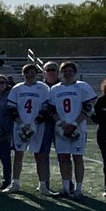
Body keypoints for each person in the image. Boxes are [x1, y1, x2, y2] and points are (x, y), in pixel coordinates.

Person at [50, 61, 98, 198]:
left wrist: (75, 124)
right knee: (63, 157)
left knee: (78, 158)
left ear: (75, 72)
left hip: (78, 127)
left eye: (70, 70)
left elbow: (89, 107)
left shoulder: (82, 86)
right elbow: (51, 109)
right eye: (64, 70)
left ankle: (78, 189)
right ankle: (65, 188)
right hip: (61, 128)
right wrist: (61, 123)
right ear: (61, 72)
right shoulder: (55, 89)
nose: (67, 73)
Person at [5, 63, 53, 194]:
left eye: (32, 72)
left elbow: (45, 108)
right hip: (20, 125)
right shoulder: (17, 88)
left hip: (37, 126)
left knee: (40, 155)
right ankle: (15, 183)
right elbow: (11, 108)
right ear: (23, 74)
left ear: (36, 73)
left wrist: (34, 122)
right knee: (18, 154)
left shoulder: (43, 88)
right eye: (27, 72)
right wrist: (21, 123)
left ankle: (42, 185)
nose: (29, 74)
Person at [35, 62, 62, 195]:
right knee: (42, 154)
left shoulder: (62, 87)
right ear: (44, 72)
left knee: (63, 155)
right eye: (48, 70)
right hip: (44, 124)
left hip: (61, 124)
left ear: (58, 72)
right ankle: (44, 183)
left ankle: (67, 184)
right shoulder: (40, 87)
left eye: (53, 70)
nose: (51, 72)